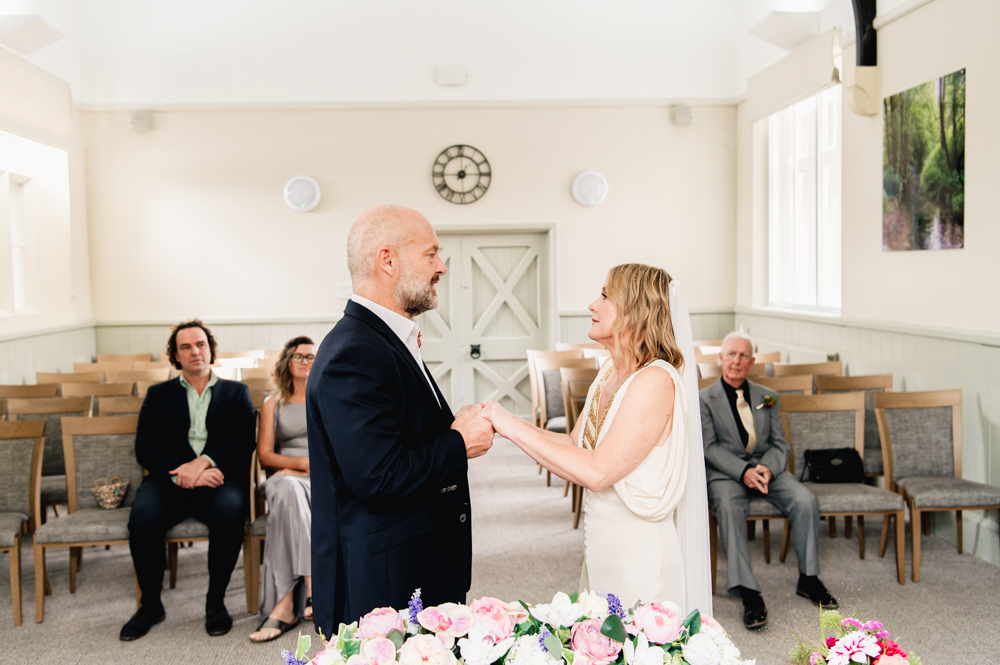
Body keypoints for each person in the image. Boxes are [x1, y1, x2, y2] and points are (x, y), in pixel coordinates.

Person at [481, 263, 713, 616]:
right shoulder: (610, 371)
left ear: (641, 311)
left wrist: (509, 426)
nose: (592, 305)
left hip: (639, 560)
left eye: (605, 296)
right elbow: (576, 445)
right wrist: (508, 422)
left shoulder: (654, 381)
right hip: (602, 548)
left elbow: (597, 472)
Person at [307, 204, 495, 637]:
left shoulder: (384, 337)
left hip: (414, 562)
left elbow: (400, 436)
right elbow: (378, 475)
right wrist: (458, 443)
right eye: (431, 255)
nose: (442, 267)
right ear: (387, 260)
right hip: (386, 581)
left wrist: (450, 429)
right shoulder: (354, 352)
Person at [122, 319, 256, 641]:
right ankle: (150, 606)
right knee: (142, 519)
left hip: (217, 478)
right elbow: (144, 447)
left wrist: (203, 463)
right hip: (168, 480)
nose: (195, 351)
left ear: (210, 350)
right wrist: (182, 471)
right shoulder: (158, 395)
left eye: (201, 345)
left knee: (231, 511)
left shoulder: (237, 393)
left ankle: (215, 603)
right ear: (176, 355)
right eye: (186, 347)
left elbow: (244, 441)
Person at [700, 331, 837, 630]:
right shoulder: (704, 400)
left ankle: (809, 578)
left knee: (805, 500)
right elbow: (709, 448)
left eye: (743, 355)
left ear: (752, 361)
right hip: (727, 472)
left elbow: (780, 444)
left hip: (767, 469)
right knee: (726, 504)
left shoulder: (767, 397)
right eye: (731, 354)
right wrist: (743, 471)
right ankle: (748, 592)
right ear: (720, 358)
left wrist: (767, 469)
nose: (737, 360)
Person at [250, 336, 316, 643]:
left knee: (293, 499)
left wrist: (308, 468)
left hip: (321, 478)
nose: (306, 362)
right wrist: (298, 464)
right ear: (287, 363)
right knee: (288, 490)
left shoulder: (325, 397)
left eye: (312, 357)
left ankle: (284, 605)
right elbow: (264, 454)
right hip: (285, 475)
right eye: (300, 356)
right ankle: (312, 583)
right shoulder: (272, 403)